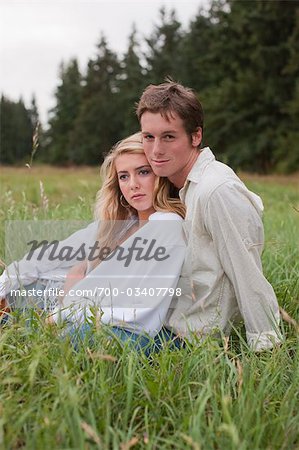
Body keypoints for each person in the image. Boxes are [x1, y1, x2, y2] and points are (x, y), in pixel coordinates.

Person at [1, 133, 186, 354]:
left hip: (112, 324)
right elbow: (55, 253)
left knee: (63, 337)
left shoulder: (168, 225)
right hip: (74, 306)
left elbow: (139, 308)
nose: (133, 185)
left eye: (143, 172)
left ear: (160, 173)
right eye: (124, 176)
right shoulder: (121, 224)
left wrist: (64, 306)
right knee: (17, 293)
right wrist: (6, 280)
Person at [136, 80, 282, 351]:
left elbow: (247, 274)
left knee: (77, 332)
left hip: (190, 341)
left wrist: (267, 349)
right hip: (163, 324)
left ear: (196, 136)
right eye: (148, 137)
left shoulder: (215, 190)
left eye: (169, 136)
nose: (156, 150)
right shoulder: (177, 188)